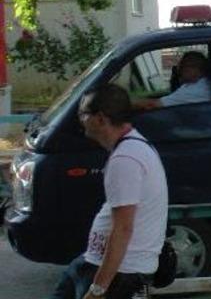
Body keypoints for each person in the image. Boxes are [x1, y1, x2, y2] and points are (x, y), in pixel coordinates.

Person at [52, 84, 168, 299]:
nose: (80, 119)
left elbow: (123, 228)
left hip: (120, 274)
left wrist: (98, 289)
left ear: (100, 119)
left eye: (82, 113)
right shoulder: (133, 146)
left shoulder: (126, 159)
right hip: (93, 261)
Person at [136, 51, 211, 109]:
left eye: (183, 66)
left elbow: (153, 104)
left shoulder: (195, 90)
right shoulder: (198, 84)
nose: (179, 69)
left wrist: (129, 103)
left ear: (195, 68)